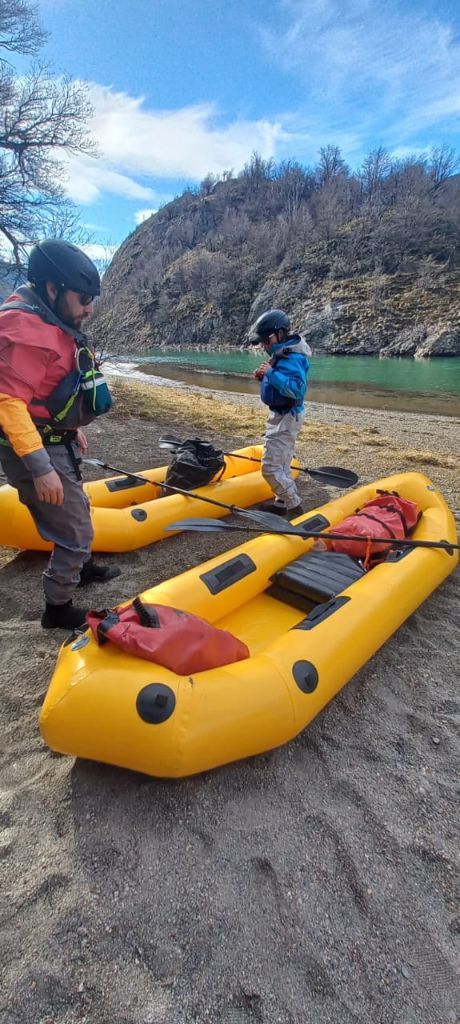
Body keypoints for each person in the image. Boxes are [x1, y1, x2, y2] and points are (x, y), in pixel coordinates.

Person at [0, 239, 120, 630]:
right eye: (83, 297)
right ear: (52, 288)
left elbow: (46, 390)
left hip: (53, 438)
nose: (89, 307)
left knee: (79, 509)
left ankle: (81, 569)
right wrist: (39, 467)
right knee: (74, 530)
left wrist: (68, 430)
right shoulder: (26, 330)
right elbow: (8, 401)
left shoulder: (51, 318)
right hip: (34, 449)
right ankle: (58, 606)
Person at [249, 308, 311, 518]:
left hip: (287, 416)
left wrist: (271, 373)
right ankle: (281, 503)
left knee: (270, 468)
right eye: (262, 342)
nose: (264, 345)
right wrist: (264, 376)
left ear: (281, 334)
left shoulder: (292, 357)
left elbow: (296, 389)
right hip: (282, 415)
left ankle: (295, 506)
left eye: (266, 340)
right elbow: (278, 380)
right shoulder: (281, 353)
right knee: (283, 462)